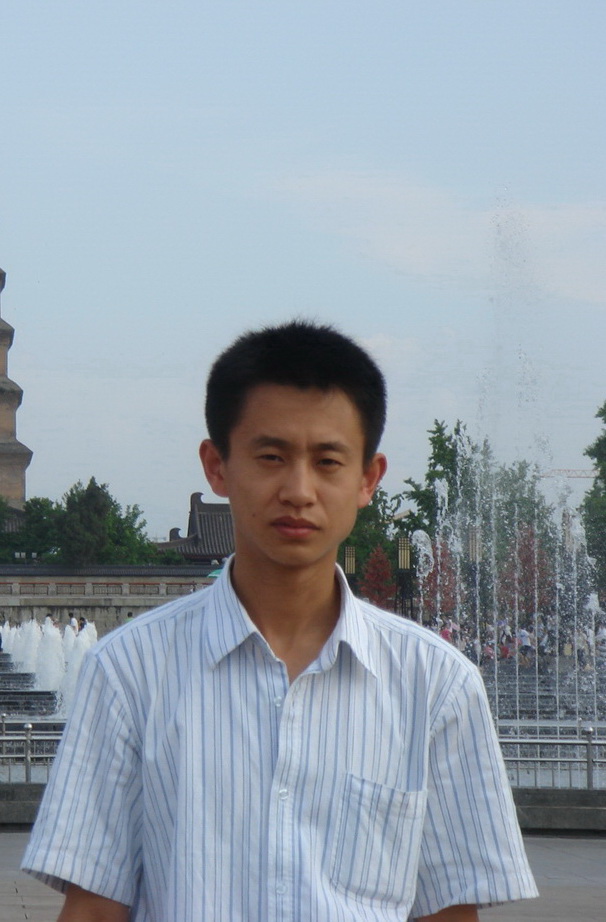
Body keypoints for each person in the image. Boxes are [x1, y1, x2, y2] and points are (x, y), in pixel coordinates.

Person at [22, 320, 538, 921]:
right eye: (271, 457)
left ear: (368, 478)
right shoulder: (128, 672)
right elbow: (93, 910)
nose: (298, 490)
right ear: (217, 466)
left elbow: (448, 913)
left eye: (328, 461)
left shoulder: (437, 685)